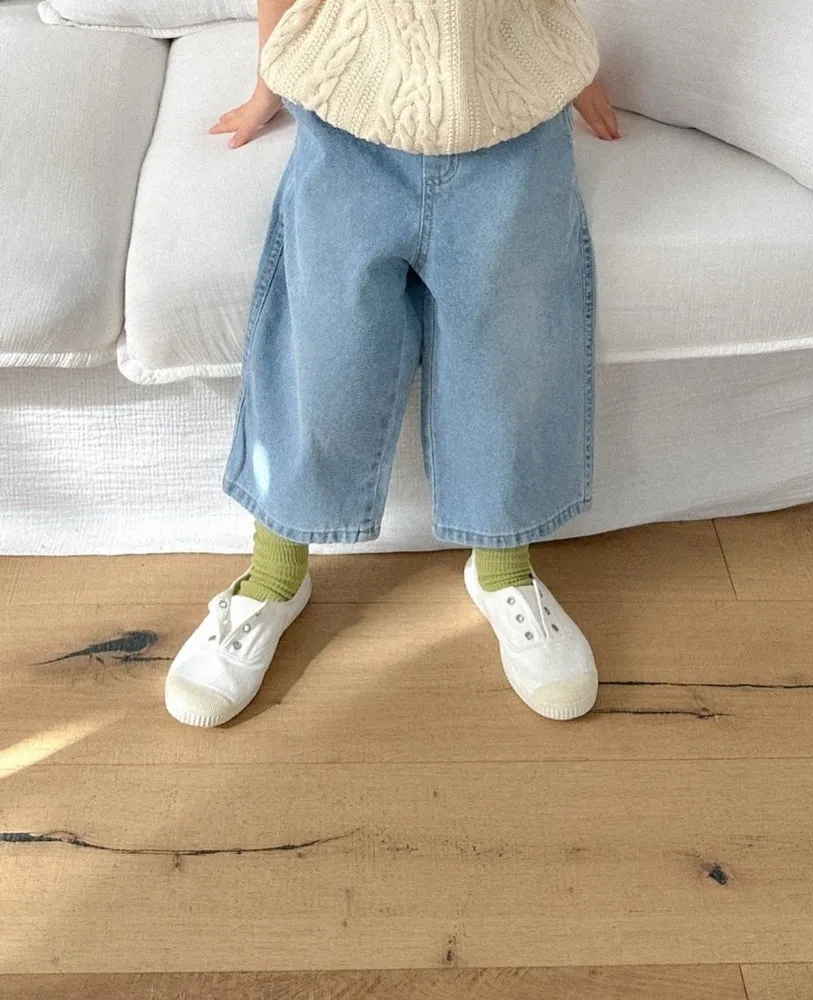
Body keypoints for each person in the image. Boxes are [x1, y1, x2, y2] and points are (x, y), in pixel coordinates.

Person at [164, 0, 621, 729]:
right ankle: (275, 572)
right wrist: (268, 82)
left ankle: (503, 567)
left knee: (511, 347)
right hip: (351, 121)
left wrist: (568, 65)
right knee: (323, 346)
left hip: (510, 126)